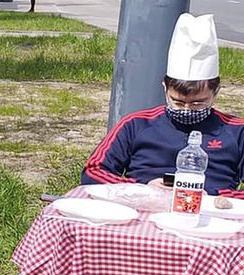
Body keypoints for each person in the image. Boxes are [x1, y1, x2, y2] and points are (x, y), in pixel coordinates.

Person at [83, 12, 244, 193]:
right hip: (142, 204)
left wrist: (216, 197)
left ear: (216, 93)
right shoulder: (136, 124)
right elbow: (93, 172)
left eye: (198, 104)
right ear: (164, 89)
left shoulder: (237, 131)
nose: (187, 110)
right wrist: (140, 188)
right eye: (177, 102)